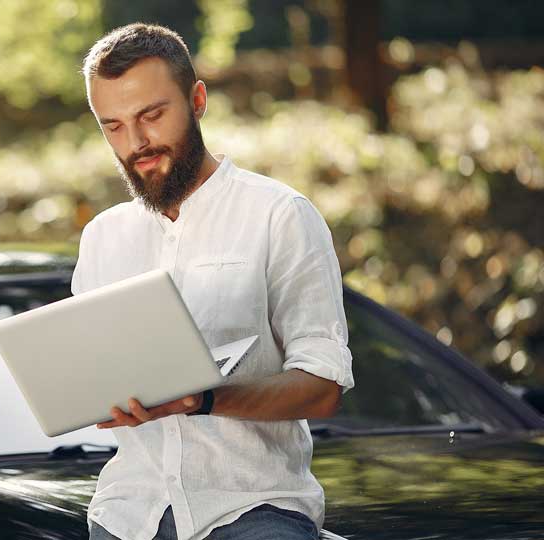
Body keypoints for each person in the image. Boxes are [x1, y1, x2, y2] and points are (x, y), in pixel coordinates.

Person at [71, 23, 355, 540]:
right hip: (127, 513)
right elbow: (96, 383)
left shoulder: (280, 215)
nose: (136, 143)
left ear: (197, 99)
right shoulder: (101, 238)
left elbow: (324, 388)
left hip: (254, 510)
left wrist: (204, 399)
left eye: (152, 116)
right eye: (112, 125)